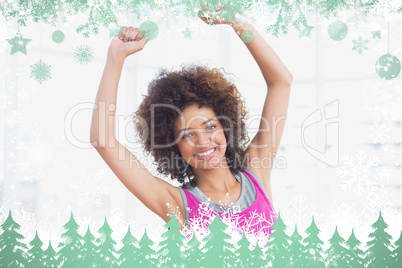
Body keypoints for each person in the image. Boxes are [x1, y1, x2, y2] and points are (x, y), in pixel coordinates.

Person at [90, 4, 292, 242]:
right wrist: (115, 57)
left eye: (210, 127)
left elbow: (282, 82)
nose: (203, 141)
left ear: (226, 127)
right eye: (187, 135)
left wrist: (237, 22)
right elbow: (101, 140)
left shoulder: (256, 173)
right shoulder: (179, 205)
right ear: (172, 146)